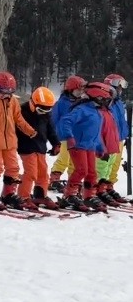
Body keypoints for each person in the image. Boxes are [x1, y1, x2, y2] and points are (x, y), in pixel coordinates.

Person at [57, 81, 120, 212]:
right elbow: (65, 121)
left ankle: (89, 195)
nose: (107, 102)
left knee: (92, 173)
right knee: (81, 170)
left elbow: (95, 132)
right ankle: (69, 195)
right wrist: (69, 137)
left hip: (90, 146)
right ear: (98, 97)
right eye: (105, 99)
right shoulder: (82, 109)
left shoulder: (96, 111)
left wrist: (99, 147)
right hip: (78, 145)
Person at [0, 71, 37, 210]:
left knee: (13, 168)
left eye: (10, 92)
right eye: (3, 91)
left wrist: (30, 131)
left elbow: (18, 119)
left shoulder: (13, 101)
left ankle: (9, 194)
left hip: (10, 140)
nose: (6, 95)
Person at [17, 86, 61, 210]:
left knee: (43, 174)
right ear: (33, 102)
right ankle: (23, 197)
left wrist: (56, 143)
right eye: (41, 110)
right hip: (26, 147)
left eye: (48, 111)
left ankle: (40, 195)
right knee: (31, 173)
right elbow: (16, 128)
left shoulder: (45, 113)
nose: (44, 113)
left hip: (40, 147)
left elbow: (51, 130)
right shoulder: (22, 111)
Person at [49, 75, 87, 190]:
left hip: (77, 136)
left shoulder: (82, 103)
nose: (80, 93)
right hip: (64, 135)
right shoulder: (61, 103)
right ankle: (54, 178)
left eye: (82, 90)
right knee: (64, 158)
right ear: (70, 90)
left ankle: (72, 180)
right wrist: (54, 135)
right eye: (78, 90)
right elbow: (53, 119)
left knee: (74, 160)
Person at [95, 74, 129, 204]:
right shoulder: (105, 100)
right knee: (103, 164)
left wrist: (125, 134)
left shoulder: (118, 102)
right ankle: (98, 188)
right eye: (119, 84)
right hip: (107, 137)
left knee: (113, 165)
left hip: (118, 137)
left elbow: (121, 120)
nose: (121, 88)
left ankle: (108, 186)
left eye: (122, 85)